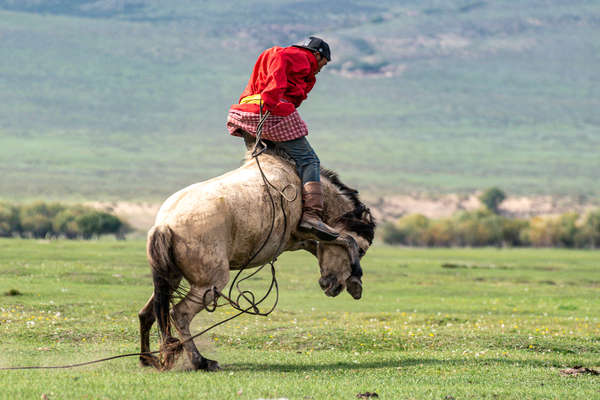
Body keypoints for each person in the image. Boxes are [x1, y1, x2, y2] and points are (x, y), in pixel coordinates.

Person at [226, 36, 339, 241]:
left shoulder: (275, 57)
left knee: (266, 161)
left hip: (246, 112)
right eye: (324, 61)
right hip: (270, 110)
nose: (322, 67)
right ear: (317, 54)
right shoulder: (293, 56)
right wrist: (270, 105)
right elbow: (276, 83)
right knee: (309, 160)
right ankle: (312, 215)